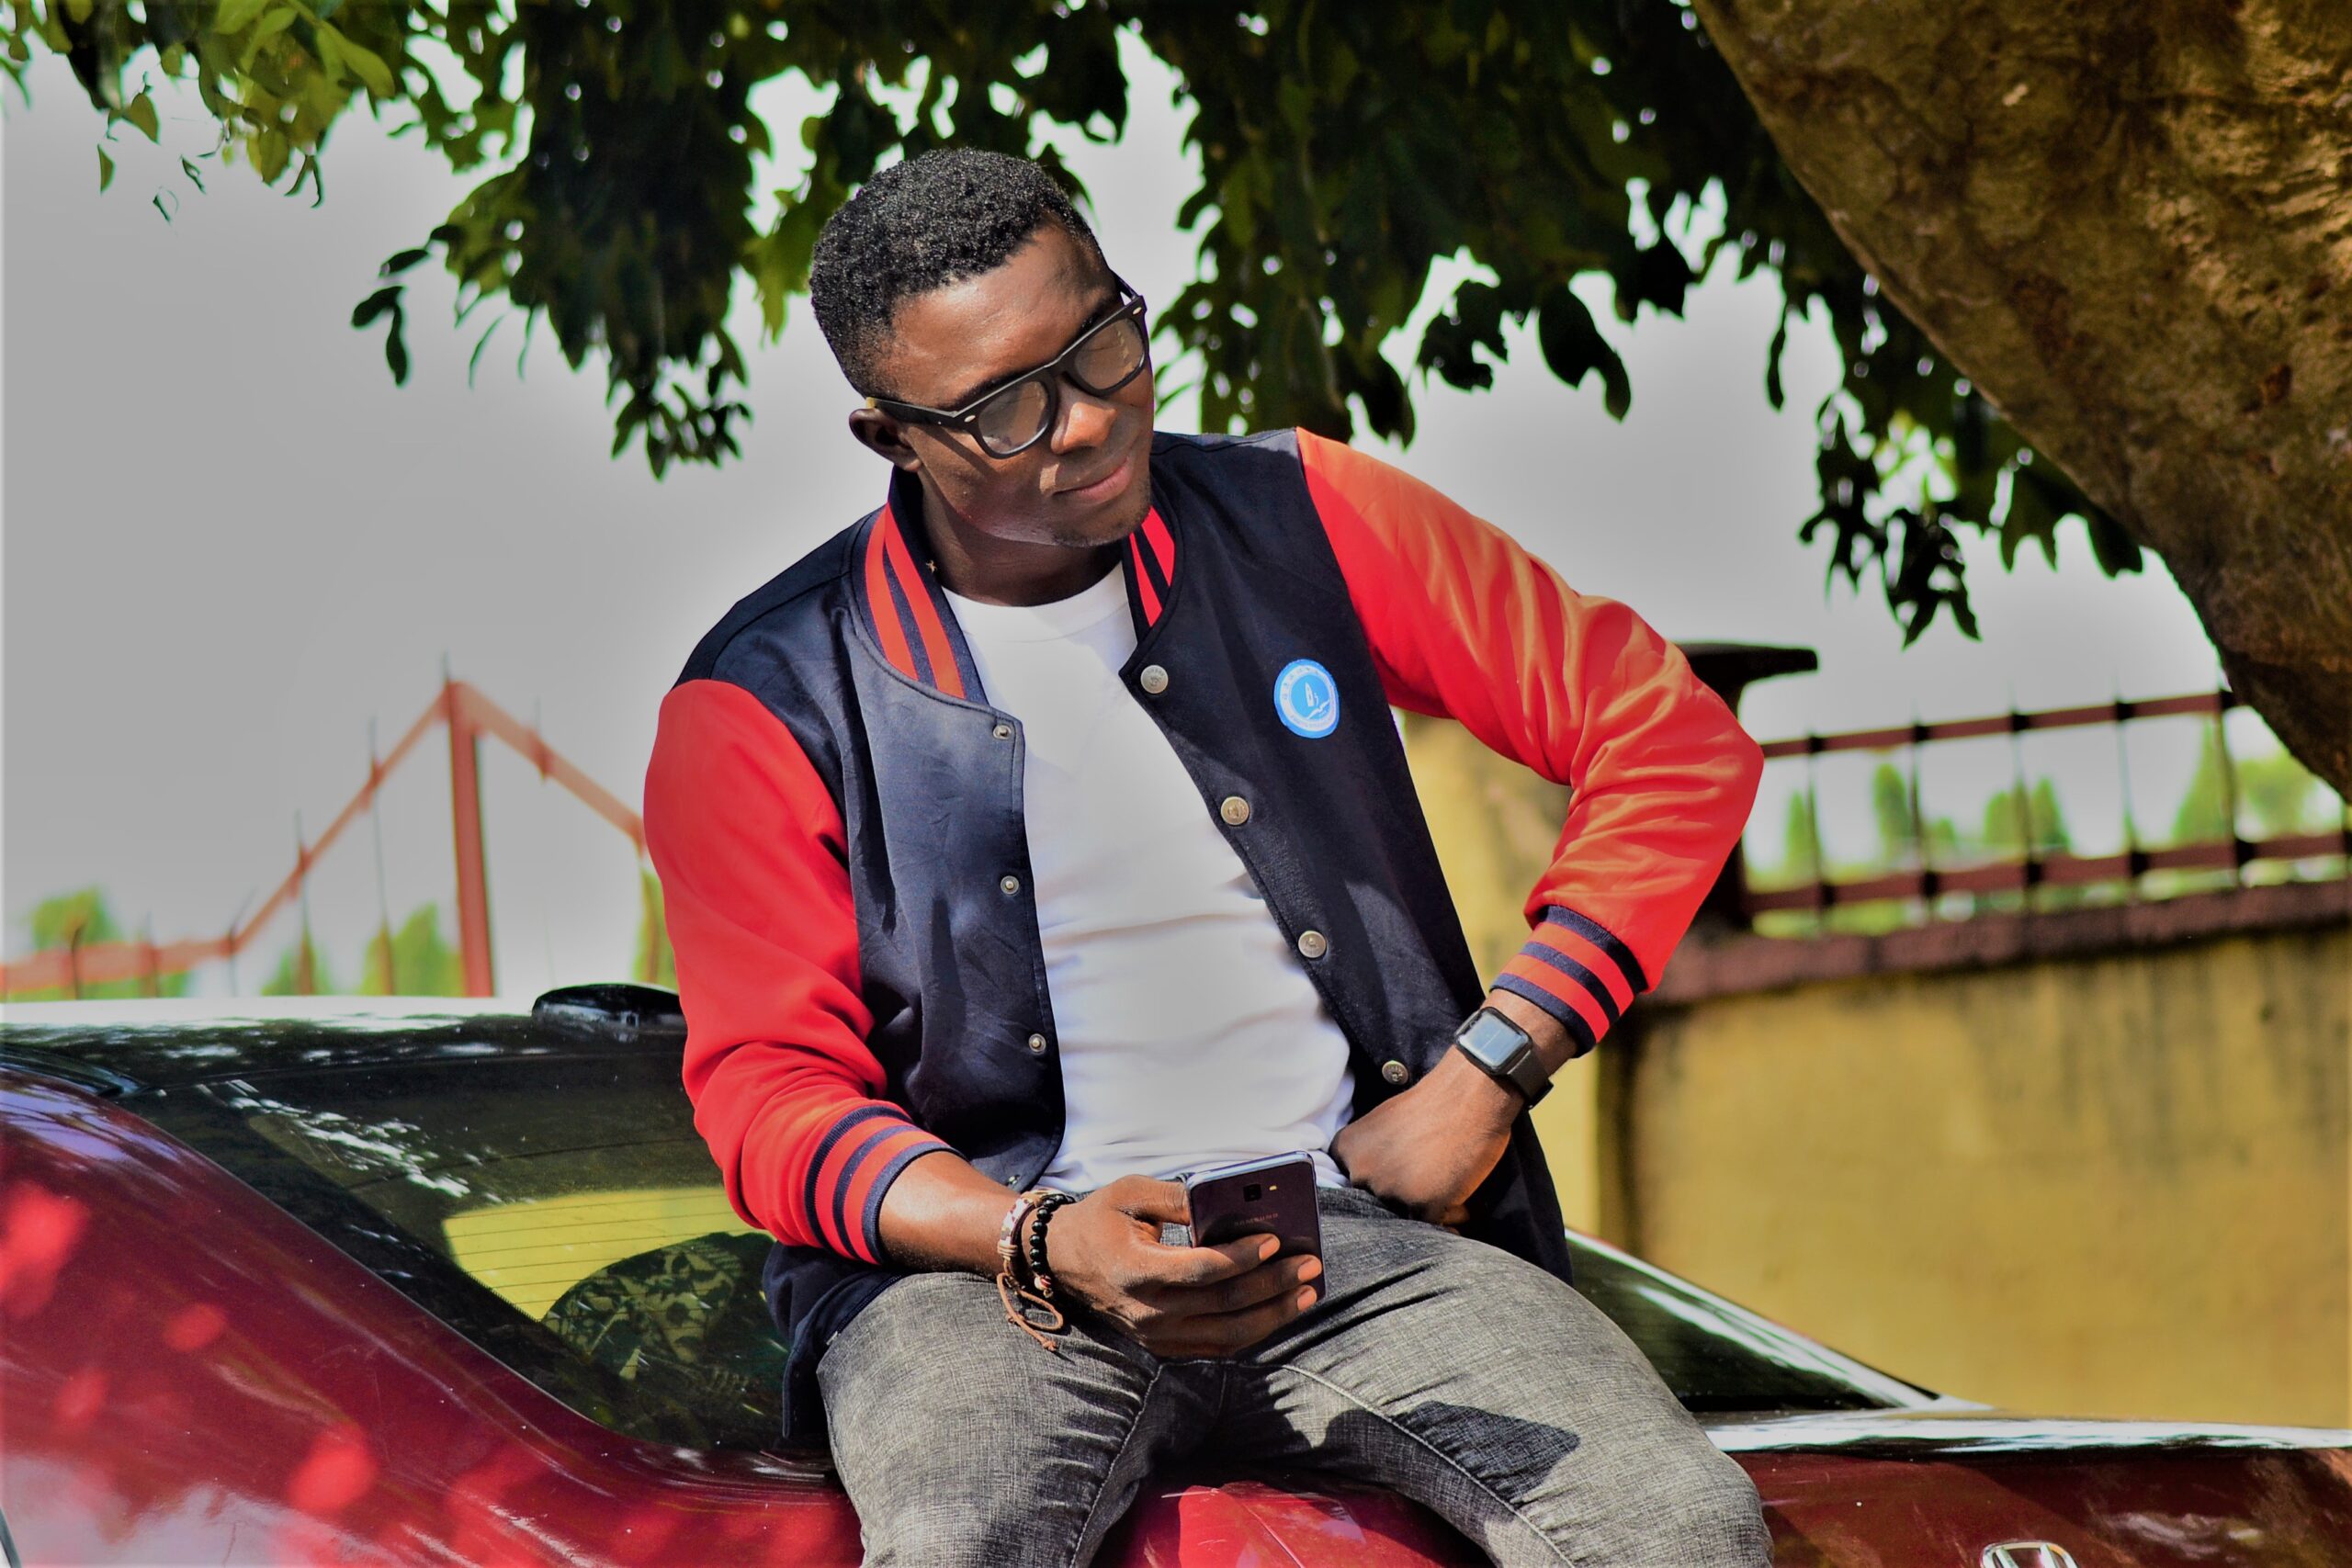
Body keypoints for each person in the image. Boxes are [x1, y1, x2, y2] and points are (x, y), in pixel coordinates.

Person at [643, 147, 1772, 1567]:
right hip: (986, 1286)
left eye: (1104, 342)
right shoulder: (762, 695)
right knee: (961, 1545)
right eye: (1005, 407)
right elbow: (766, 1096)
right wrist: (1036, 1239)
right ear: (892, 437)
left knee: (1677, 1530)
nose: (1089, 423)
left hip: (1358, 1241)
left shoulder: (1307, 519)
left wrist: (1491, 1071)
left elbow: (1666, 735)